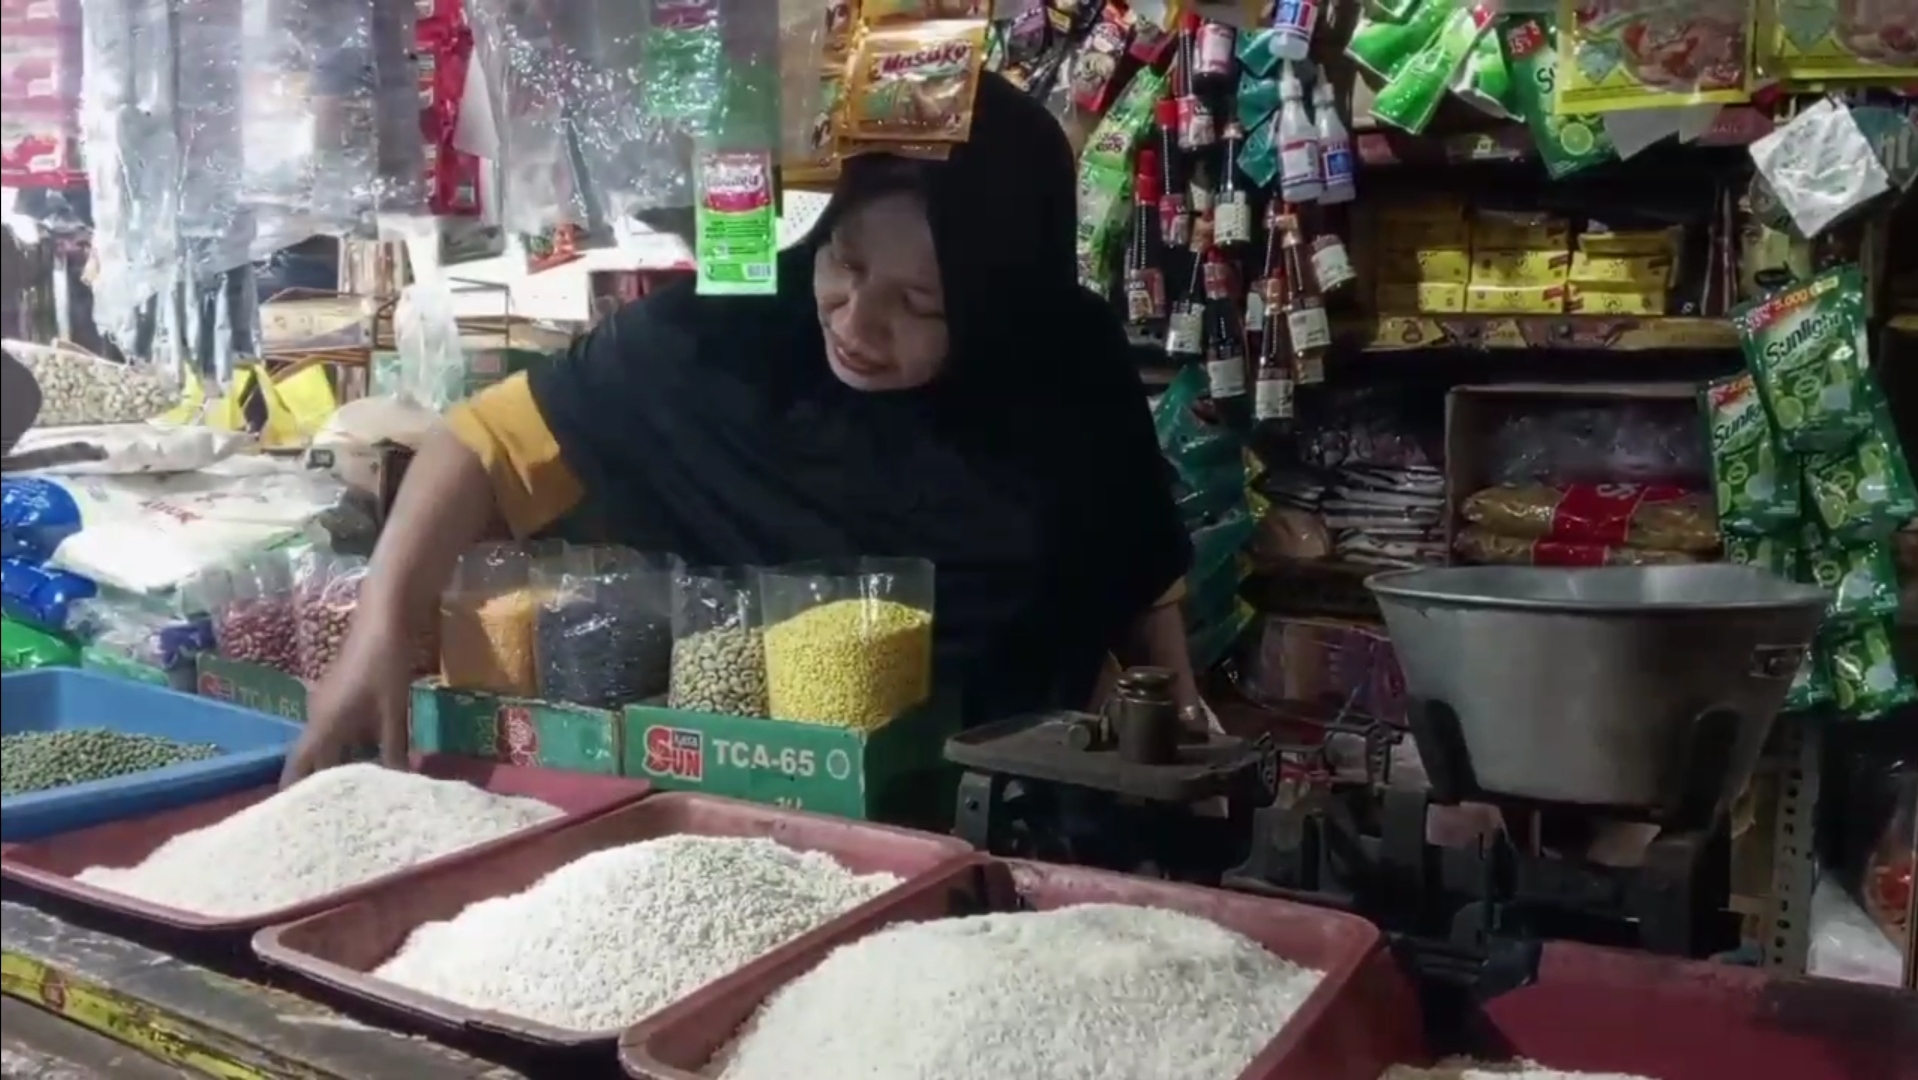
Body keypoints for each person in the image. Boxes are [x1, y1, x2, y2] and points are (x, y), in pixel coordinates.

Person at [283, 72, 1198, 782]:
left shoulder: (1064, 360)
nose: (855, 322)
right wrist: (377, 641)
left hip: (1008, 803)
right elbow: (477, 444)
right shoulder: (724, 338)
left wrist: (1176, 724)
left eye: (921, 304)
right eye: (844, 263)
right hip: (763, 803)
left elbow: (1132, 572)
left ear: (1001, 307)